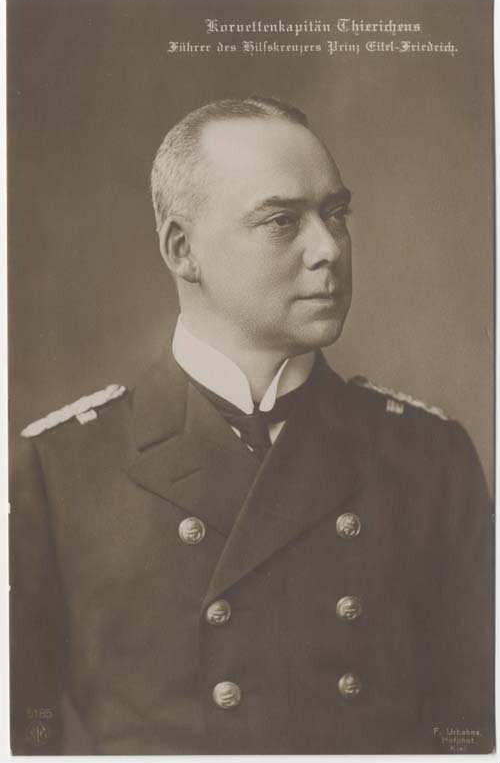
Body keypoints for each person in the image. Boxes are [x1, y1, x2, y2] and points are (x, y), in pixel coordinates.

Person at [10, 96, 494, 755]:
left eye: (335, 214)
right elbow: (23, 733)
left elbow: (470, 730)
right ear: (182, 249)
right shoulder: (59, 469)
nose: (329, 248)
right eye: (281, 221)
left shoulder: (429, 458)